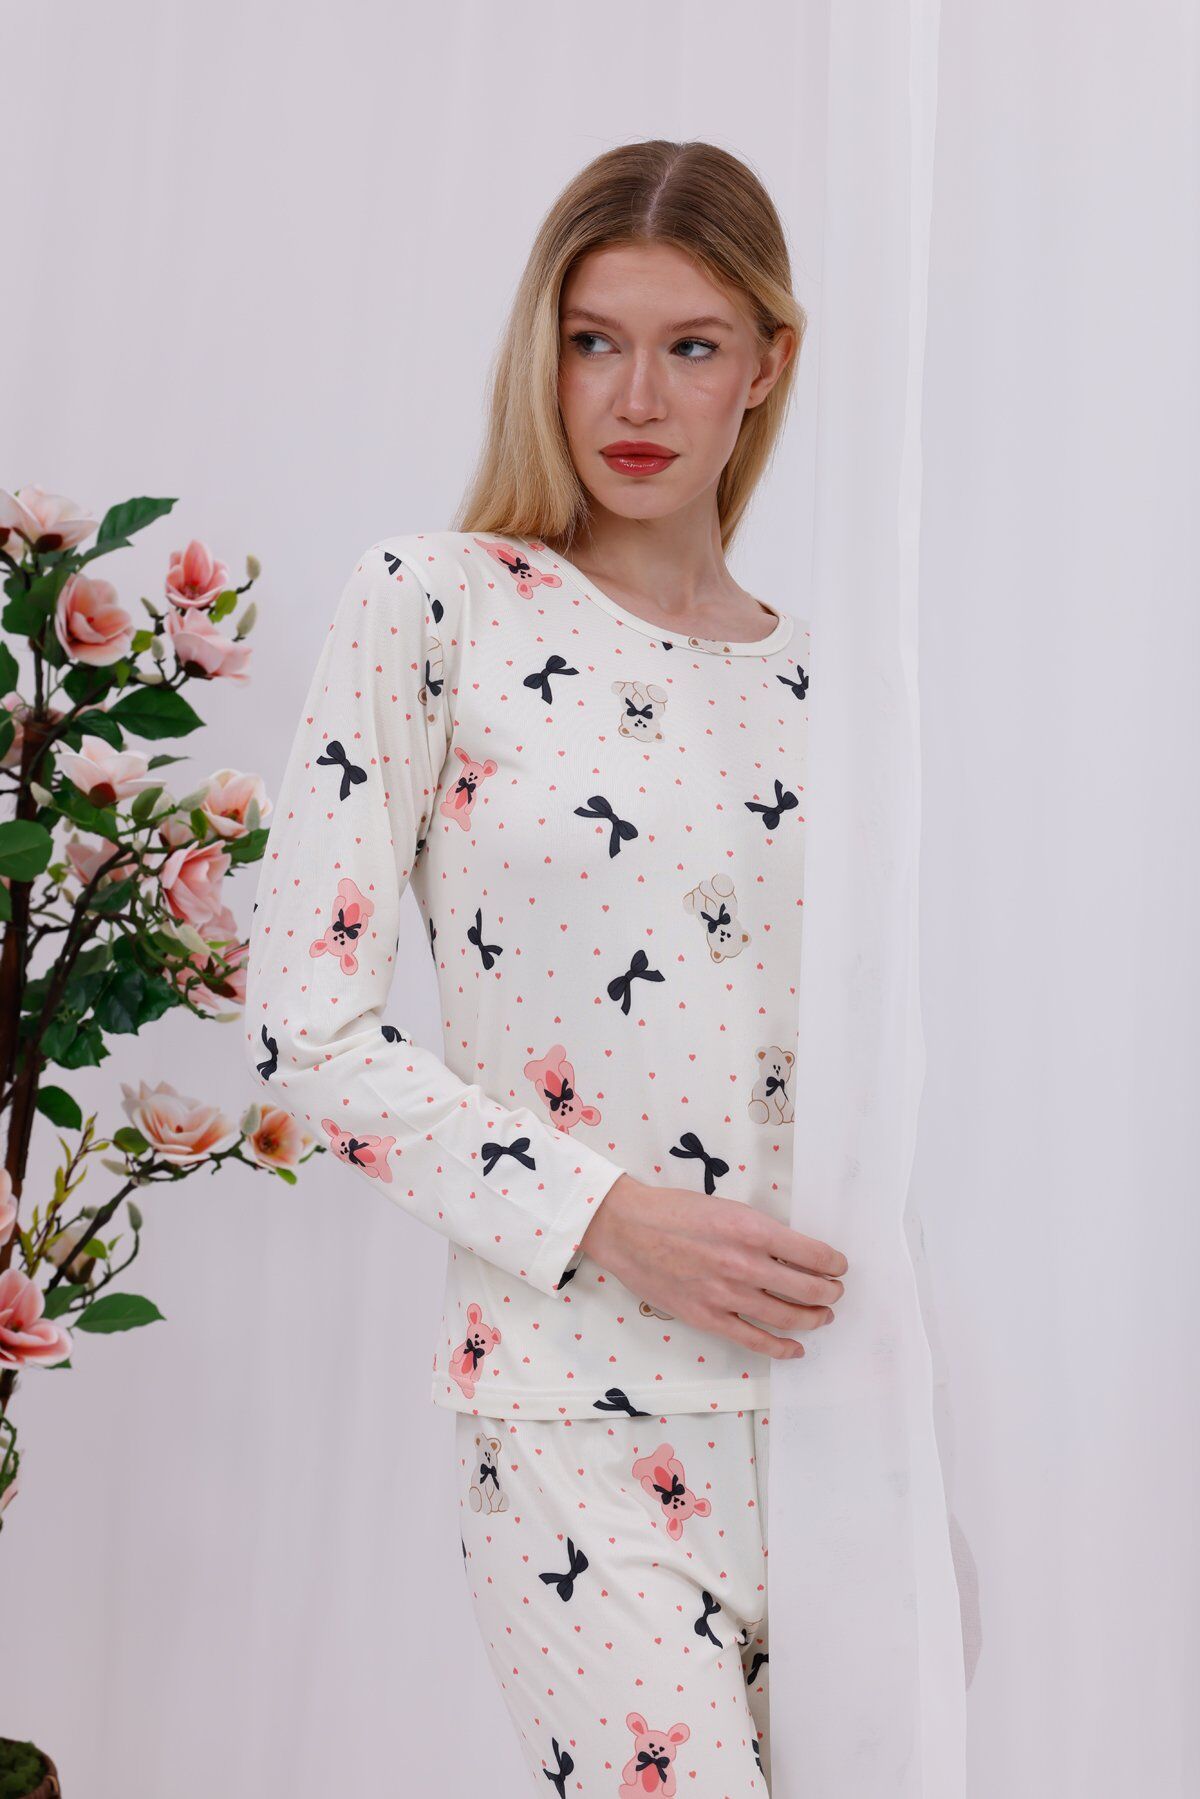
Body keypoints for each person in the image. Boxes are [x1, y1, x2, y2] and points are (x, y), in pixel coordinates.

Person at [243, 136, 848, 1797]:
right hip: (572, 1415)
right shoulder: (438, 607)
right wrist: (605, 1217)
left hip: (846, 1411)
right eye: (593, 341)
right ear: (543, 351)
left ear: (766, 364)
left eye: (690, 344)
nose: (634, 397)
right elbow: (303, 1030)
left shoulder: (837, 687)